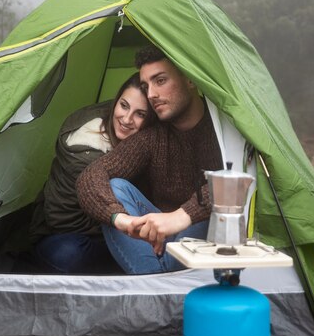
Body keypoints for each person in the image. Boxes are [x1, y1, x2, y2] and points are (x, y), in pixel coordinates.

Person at [76, 45, 224, 274]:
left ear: (191, 79)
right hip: (154, 238)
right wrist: (122, 220)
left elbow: (235, 183)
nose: (151, 94)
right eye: (146, 86)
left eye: (160, 81)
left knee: (218, 203)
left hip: (200, 230)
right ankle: (159, 281)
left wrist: (182, 216)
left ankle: (152, 284)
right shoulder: (153, 137)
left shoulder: (223, 130)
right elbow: (92, 175)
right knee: (115, 186)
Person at [29, 72, 155, 274]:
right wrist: (120, 224)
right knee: (67, 254)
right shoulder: (83, 153)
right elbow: (63, 220)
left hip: (120, 223)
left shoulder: (148, 138)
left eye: (140, 114)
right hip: (66, 233)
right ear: (115, 102)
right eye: (123, 105)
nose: (127, 119)